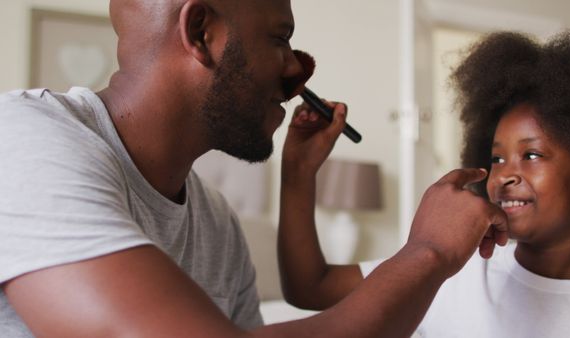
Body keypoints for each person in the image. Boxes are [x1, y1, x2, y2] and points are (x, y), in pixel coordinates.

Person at [0, 0, 508, 336]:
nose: (297, 70)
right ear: (201, 32)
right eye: (280, 39)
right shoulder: (21, 139)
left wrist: (297, 179)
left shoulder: (217, 223)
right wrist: (429, 251)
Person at [278, 24, 570, 337]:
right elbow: (311, 287)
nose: (505, 174)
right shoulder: (453, 274)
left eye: (531, 155)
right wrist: (298, 172)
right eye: (497, 158)